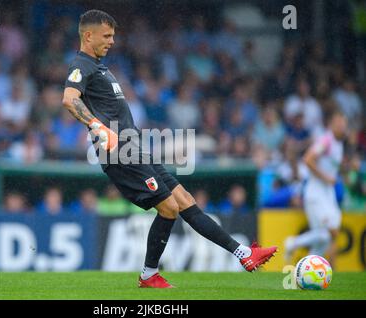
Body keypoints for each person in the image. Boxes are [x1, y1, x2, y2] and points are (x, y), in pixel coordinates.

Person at [62, 10, 277, 288]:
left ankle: (244, 254)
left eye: (113, 35)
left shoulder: (101, 66)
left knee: (184, 200)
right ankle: (149, 274)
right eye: (107, 36)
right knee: (169, 208)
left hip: (135, 148)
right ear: (88, 35)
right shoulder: (82, 65)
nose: (112, 41)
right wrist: (98, 127)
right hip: (120, 154)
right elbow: (69, 99)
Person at [284, 111, 348, 266]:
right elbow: (308, 159)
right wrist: (326, 177)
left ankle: (307, 268)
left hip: (328, 194)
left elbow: (331, 167)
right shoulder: (326, 140)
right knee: (330, 232)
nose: (343, 127)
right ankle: (293, 242)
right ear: (332, 124)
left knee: (325, 238)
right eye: (339, 124)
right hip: (316, 193)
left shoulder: (339, 144)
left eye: (344, 124)